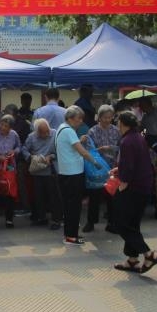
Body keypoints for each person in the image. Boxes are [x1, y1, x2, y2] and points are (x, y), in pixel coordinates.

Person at [111, 112, 157, 274]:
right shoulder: (138, 137)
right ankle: (132, 259)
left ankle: (149, 254)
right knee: (132, 223)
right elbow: (136, 161)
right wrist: (120, 169)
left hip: (134, 187)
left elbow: (129, 166)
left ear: (122, 123)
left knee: (120, 223)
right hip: (143, 185)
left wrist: (123, 182)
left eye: (118, 122)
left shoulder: (127, 141)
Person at [56, 106, 103, 246]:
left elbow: (71, 147)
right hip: (73, 174)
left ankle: (70, 235)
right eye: (79, 119)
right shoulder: (69, 131)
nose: (81, 121)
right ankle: (71, 237)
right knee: (74, 207)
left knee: (69, 206)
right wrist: (96, 162)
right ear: (70, 118)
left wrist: (79, 140)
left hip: (65, 173)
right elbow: (83, 152)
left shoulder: (61, 128)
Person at [85, 104, 121, 232]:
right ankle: (91, 222)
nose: (107, 120)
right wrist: (98, 150)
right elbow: (88, 149)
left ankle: (112, 222)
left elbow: (121, 147)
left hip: (112, 167)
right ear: (99, 117)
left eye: (110, 117)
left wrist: (110, 148)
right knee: (94, 196)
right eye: (105, 117)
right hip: (97, 167)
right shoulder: (92, 131)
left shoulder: (116, 130)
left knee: (112, 196)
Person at [22, 118, 60, 228]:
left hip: (51, 170)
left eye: (47, 131)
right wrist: (31, 157)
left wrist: (51, 156)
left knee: (54, 197)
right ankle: (41, 218)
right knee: (39, 197)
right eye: (43, 132)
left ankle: (56, 220)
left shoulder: (55, 134)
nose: (46, 134)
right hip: (37, 171)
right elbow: (24, 149)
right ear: (37, 132)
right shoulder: (31, 137)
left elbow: (60, 150)